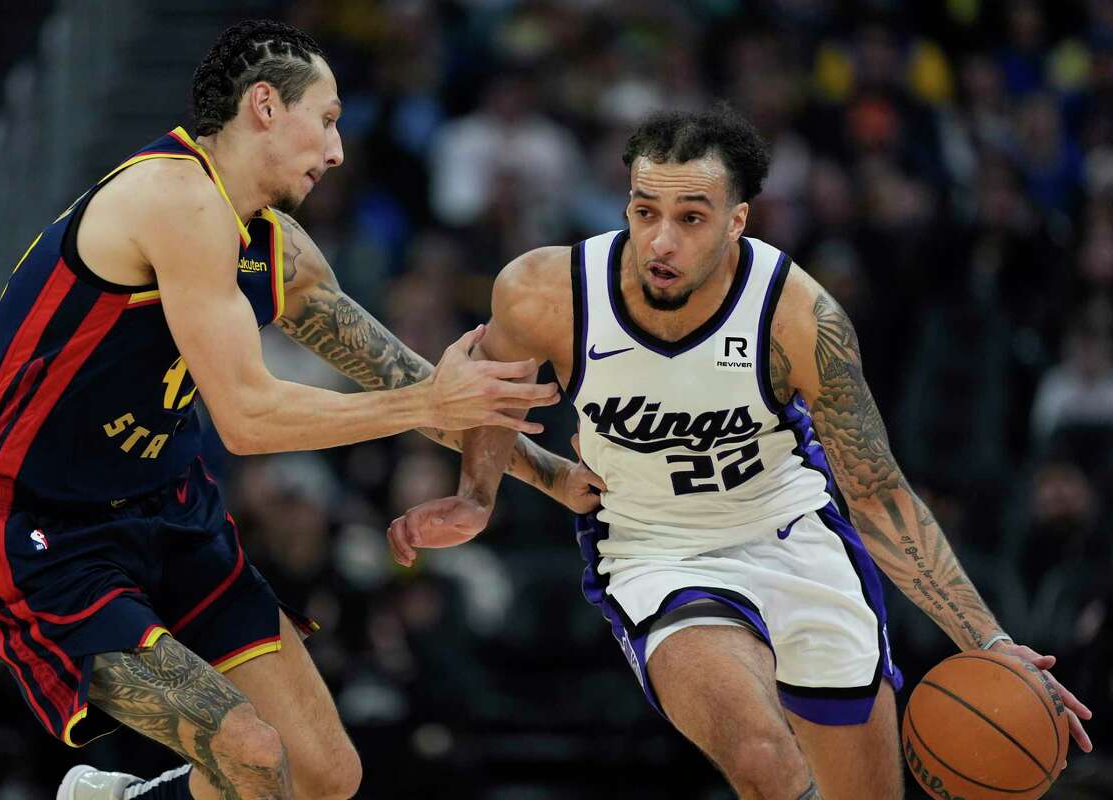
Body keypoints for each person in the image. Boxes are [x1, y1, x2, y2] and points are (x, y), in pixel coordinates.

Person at [0, 19, 602, 800]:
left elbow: (402, 377)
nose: (337, 150)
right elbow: (248, 419)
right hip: (44, 532)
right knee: (253, 753)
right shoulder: (172, 197)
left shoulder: (277, 246)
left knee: (328, 775)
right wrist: (427, 399)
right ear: (264, 105)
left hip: (171, 509)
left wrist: (557, 478)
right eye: (326, 119)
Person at [387, 105, 1094, 798]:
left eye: (690, 217)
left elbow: (878, 494)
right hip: (655, 550)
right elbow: (490, 397)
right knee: (762, 758)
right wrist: (477, 496)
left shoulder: (796, 315)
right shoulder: (545, 292)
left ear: (736, 221)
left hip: (792, 536)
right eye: (643, 212)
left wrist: (990, 642)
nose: (660, 240)